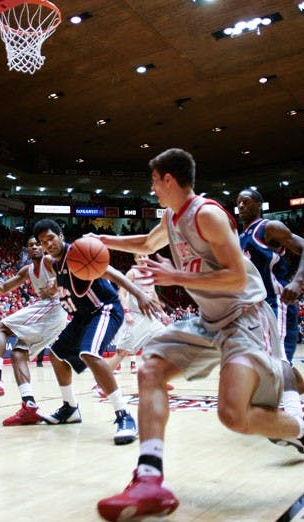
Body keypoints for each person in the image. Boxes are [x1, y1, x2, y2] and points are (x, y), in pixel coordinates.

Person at [89, 148, 304, 521]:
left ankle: (299, 427)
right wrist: (99, 242)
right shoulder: (171, 218)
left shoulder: (207, 215)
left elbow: (238, 278)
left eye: (155, 181)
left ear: (169, 179)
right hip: (208, 320)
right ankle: (149, 479)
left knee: (234, 416)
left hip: (244, 318)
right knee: (150, 369)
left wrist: (176, 277)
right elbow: (144, 245)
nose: (152, 188)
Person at [33, 219, 158, 445]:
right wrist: (54, 286)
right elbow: (66, 282)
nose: (47, 244)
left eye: (50, 238)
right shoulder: (52, 263)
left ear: (61, 235)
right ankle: (70, 408)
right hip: (83, 316)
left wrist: (139, 294)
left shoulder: (79, 251)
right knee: (56, 355)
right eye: (43, 241)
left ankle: (125, 415)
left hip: (105, 309)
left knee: (89, 353)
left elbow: (112, 273)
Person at [0, 236, 67, 426]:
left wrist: (57, 285)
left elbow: (67, 274)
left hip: (54, 307)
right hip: (52, 314)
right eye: (31, 245)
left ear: (43, 247)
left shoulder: (49, 261)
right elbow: (2, 288)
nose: (35, 246)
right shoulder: (27, 270)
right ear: (27, 250)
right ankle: (29, 406)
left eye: (38, 244)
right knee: (18, 354)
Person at [236, 188, 304, 392]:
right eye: (238, 202)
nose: (241, 206)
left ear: (259, 205)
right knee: (268, 363)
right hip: (254, 309)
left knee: (279, 362)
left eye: (246, 202)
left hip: (277, 304)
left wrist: (298, 282)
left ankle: (293, 416)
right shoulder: (239, 238)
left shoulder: (270, 228)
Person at [92, 253, 171, 398]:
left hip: (150, 317)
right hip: (134, 316)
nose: (142, 258)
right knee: (122, 352)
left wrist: (162, 313)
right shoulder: (132, 273)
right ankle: (100, 383)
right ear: (135, 259)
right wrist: (126, 312)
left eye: (144, 255)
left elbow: (153, 295)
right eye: (139, 256)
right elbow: (120, 293)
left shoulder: (151, 274)